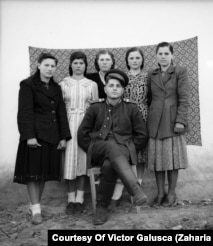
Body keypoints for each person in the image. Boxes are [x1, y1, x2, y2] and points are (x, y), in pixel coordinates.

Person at [78, 69, 148, 225]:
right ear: (105, 89)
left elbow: (142, 135)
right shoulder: (95, 108)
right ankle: (135, 190)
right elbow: (82, 134)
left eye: (118, 86)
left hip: (123, 150)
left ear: (123, 90)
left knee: (110, 164)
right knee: (109, 146)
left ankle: (102, 207)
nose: (114, 88)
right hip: (98, 149)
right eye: (111, 85)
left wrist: (130, 148)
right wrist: (91, 148)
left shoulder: (131, 108)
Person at [13, 52, 71, 225]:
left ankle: (34, 205)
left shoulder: (56, 87)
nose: (50, 69)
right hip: (35, 136)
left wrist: (63, 137)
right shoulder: (28, 85)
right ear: (38, 65)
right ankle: (36, 208)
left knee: (43, 174)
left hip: (52, 137)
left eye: (53, 66)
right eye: (46, 65)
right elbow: (24, 113)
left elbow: (61, 113)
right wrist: (29, 136)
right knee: (33, 174)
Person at [147, 42, 190, 207]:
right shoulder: (152, 73)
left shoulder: (180, 71)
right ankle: (160, 193)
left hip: (172, 121)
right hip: (155, 121)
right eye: (160, 54)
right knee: (158, 160)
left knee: (173, 160)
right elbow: (150, 97)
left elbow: (184, 98)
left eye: (166, 53)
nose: (163, 57)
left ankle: (171, 194)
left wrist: (180, 120)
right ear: (156, 56)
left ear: (172, 55)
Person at [59, 51, 98, 215]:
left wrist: (93, 131)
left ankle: (80, 199)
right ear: (70, 65)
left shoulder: (91, 84)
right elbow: (59, 109)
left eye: (81, 63)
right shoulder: (63, 84)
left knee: (83, 161)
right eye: (75, 62)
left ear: (85, 65)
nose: (78, 66)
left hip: (85, 124)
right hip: (67, 122)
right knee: (68, 162)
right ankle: (70, 199)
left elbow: (95, 108)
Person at [109, 47, 148, 209]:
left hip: (143, 115)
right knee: (126, 153)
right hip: (126, 116)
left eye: (137, 57)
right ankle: (118, 194)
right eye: (131, 58)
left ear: (142, 59)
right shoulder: (122, 78)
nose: (134, 60)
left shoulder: (148, 77)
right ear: (127, 60)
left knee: (140, 156)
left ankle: (136, 189)